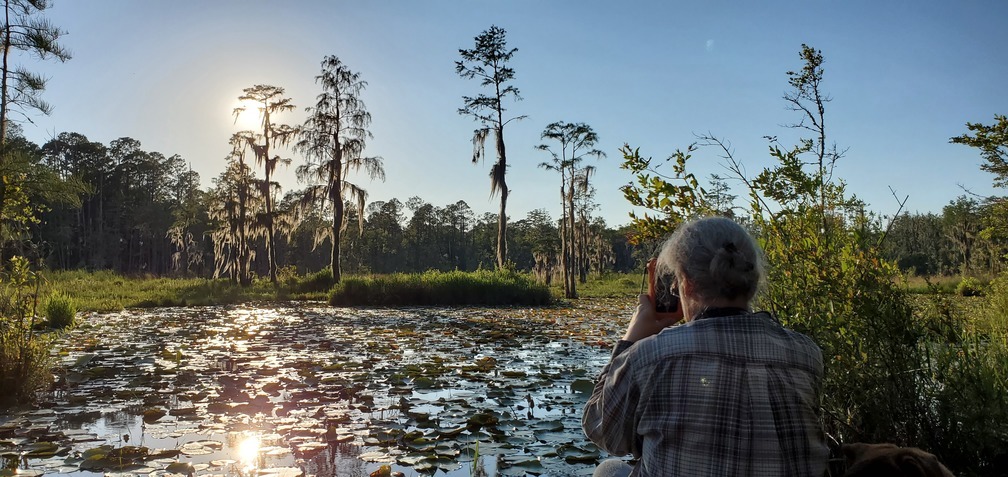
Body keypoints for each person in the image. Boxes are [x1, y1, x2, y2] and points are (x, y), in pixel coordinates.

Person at [582, 216, 828, 476]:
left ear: (686, 283)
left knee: (609, 469)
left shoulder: (649, 356)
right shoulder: (806, 353)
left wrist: (630, 342)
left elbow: (603, 431)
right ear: (752, 282)